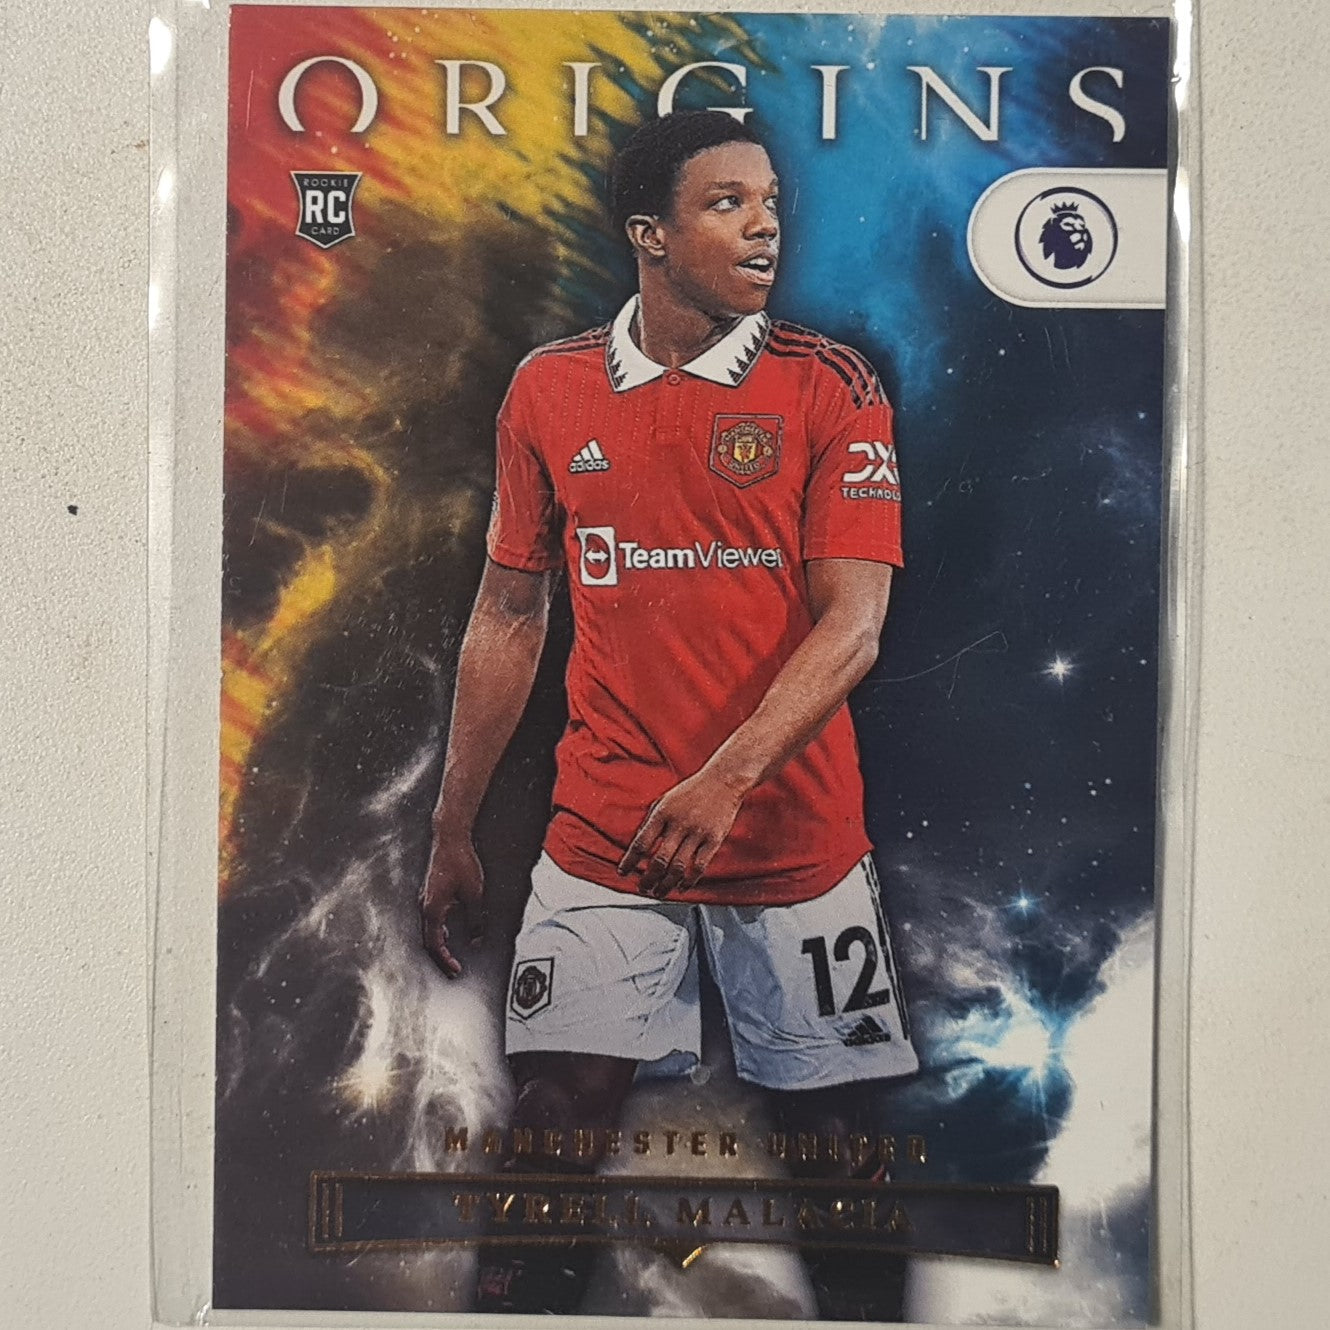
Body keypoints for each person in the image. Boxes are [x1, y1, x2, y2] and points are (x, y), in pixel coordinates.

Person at [421, 110, 918, 1319]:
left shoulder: (830, 385)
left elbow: (852, 625)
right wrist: (453, 823)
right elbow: (509, 613)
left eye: (770, 201)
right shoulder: (549, 389)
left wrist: (728, 778)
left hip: (792, 838)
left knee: (833, 1150)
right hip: (608, 833)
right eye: (727, 204)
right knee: (552, 1125)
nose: (765, 227)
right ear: (649, 234)